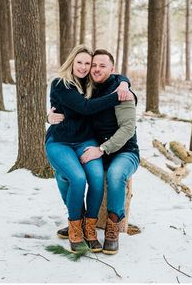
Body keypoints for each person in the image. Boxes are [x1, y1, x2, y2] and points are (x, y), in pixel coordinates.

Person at [48, 49, 140, 255]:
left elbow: (127, 129)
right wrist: (49, 116)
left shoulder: (121, 90)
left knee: (112, 176)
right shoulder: (89, 87)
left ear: (112, 69)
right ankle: (77, 222)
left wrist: (124, 87)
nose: (94, 69)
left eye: (100, 65)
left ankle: (112, 228)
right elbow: (82, 107)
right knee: (67, 176)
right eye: (93, 65)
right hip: (84, 145)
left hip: (122, 150)